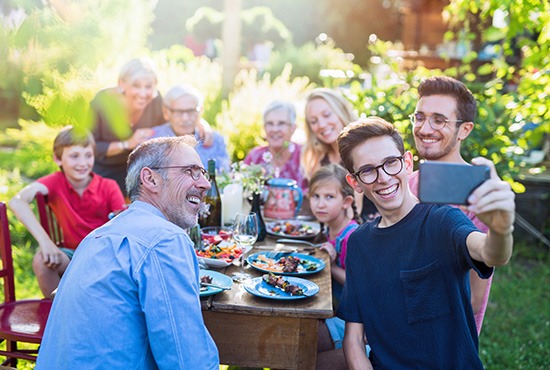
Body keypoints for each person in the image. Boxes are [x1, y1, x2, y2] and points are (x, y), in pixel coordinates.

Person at [336, 117, 514, 368]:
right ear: (355, 182)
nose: (384, 177)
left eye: (390, 163)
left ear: (407, 162)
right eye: (367, 170)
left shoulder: (442, 221)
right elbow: (353, 338)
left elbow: (491, 253)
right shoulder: (359, 243)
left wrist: (501, 228)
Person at [36, 136, 219, 368]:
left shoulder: (96, 237)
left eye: (203, 173)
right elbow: (187, 362)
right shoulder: (165, 240)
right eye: (191, 171)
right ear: (150, 179)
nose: (205, 184)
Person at [408, 75, 493, 334]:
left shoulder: (477, 193)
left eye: (439, 120)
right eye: (420, 117)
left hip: (444, 340)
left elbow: (472, 300)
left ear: (464, 130)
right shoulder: (408, 183)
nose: (424, 129)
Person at [8, 126, 125, 298]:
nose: (83, 163)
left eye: (88, 155)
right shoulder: (55, 182)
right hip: (72, 257)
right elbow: (17, 202)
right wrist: (45, 242)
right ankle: (56, 311)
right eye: (74, 156)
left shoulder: (108, 186)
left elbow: (123, 227)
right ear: (58, 159)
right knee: (42, 260)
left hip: (104, 257)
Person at [310, 164, 360, 369]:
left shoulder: (352, 237)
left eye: (329, 197)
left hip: (352, 326)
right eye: (316, 196)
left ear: (347, 201)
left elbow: (358, 285)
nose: (321, 204)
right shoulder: (331, 231)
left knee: (297, 345)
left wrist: (329, 266)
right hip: (334, 313)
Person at [302, 88, 377, 219]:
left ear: (341, 112)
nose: (321, 124)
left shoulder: (361, 153)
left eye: (327, 115)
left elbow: (353, 214)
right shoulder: (320, 159)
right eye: (313, 121)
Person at [152, 84, 230, 172]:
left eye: (191, 111)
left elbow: (225, 176)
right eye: (178, 112)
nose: (185, 118)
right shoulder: (153, 140)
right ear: (166, 112)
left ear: (200, 110)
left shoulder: (216, 140)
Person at [244, 100, 306, 189]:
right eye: (270, 123)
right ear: (264, 128)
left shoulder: (305, 156)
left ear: (293, 128)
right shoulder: (255, 157)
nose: (275, 129)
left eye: (281, 123)